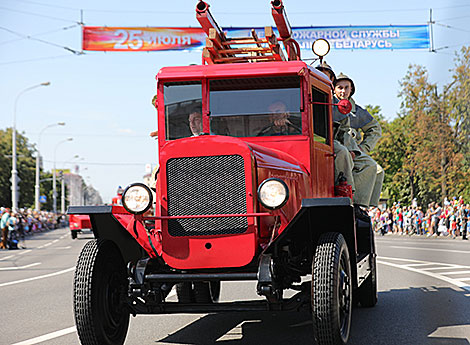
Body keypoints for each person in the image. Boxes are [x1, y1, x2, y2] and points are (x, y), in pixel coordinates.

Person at [333, 73, 381, 209]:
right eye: (339, 87)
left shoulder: (357, 111)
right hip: (338, 147)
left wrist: (363, 149)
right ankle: (348, 197)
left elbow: (375, 129)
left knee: (375, 168)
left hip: (353, 149)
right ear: (334, 89)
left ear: (351, 89)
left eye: (346, 88)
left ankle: (361, 205)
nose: (343, 91)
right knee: (344, 155)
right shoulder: (329, 104)